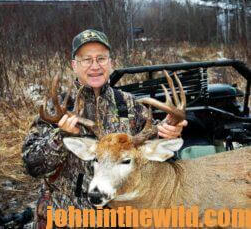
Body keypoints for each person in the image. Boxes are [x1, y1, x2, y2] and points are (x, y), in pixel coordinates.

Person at [22, 29, 188, 228]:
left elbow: (155, 162)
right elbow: (32, 166)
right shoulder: (57, 108)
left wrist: (168, 136)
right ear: (74, 65)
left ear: (111, 62)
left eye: (101, 58)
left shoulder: (130, 106)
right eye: (86, 59)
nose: (95, 66)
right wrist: (61, 136)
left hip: (119, 218)